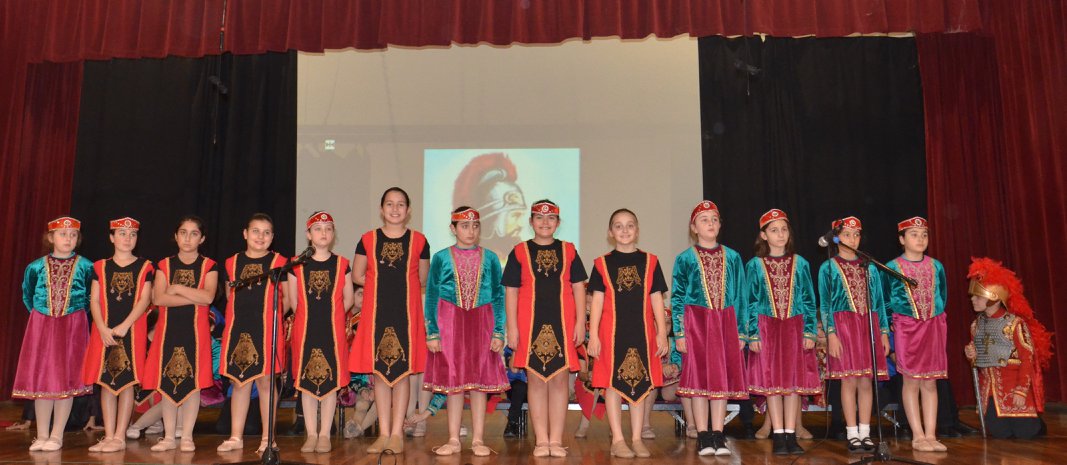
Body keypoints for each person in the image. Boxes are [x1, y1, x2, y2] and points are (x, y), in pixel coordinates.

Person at [503, 200, 587, 457]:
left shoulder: (569, 250)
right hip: (529, 324)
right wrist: (512, 328)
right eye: (539, 217)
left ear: (558, 223)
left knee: (560, 381)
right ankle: (541, 441)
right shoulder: (519, 251)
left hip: (563, 324)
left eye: (551, 218)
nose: (545, 222)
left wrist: (580, 323)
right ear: (531, 222)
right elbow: (511, 291)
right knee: (536, 381)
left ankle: (556, 440)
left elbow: (578, 287)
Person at [423, 207, 509, 456]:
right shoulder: (441, 258)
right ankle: (453, 438)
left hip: (481, 325)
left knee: (479, 383)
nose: (471, 231)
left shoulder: (491, 258)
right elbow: (432, 296)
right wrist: (433, 332)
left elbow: (498, 296)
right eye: (464, 226)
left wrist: (499, 331)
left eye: (475, 226)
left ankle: (478, 439)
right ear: (453, 228)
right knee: (454, 383)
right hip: (450, 324)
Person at [350, 187, 430, 454]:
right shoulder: (368, 239)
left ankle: (397, 434)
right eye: (390, 204)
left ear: (408, 210)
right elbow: (358, 275)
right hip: (377, 315)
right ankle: (383, 433)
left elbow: (422, 279)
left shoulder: (419, 240)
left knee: (402, 374)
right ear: (381, 209)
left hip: (406, 315)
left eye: (400, 204)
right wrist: (382, 283)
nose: (395, 209)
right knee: (380, 375)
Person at [587, 208, 669, 458]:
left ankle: (636, 438)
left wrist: (661, 332)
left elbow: (656, 298)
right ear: (610, 232)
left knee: (640, 383)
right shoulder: (602, 264)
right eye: (618, 225)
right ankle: (618, 440)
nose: (624, 230)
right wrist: (594, 335)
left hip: (642, 332)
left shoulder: (650, 261)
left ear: (637, 230)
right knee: (612, 384)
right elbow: (597, 301)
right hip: (611, 333)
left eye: (630, 225)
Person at [671, 201, 747, 456]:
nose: (710, 223)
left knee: (720, 380)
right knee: (699, 380)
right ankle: (703, 434)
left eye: (714, 219)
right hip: (697, 325)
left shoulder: (733, 257)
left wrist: (741, 331)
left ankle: (718, 433)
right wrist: (680, 332)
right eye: (704, 220)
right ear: (694, 228)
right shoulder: (684, 259)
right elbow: (677, 298)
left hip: (725, 323)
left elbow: (740, 295)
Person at [14, 216, 95, 452]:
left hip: (72, 327)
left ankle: (57, 435)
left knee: (65, 380)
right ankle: (41, 435)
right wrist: (43, 315)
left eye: (73, 235)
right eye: (62, 234)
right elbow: (27, 295)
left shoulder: (86, 266)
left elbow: (91, 297)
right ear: (51, 238)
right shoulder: (35, 267)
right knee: (43, 380)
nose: (68, 239)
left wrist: (73, 315)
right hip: (41, 325)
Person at [745, 209, 820, 455]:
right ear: (763, 235)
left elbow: (808, 300)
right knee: (773, 384)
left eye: (784, 229)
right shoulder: (755, 265)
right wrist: (753, 333)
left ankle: (790, 433)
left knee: (792, 384)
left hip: (794, 328)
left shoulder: (801, 263)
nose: (780, 234)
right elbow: (750, 302)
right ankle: (778, 434)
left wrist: (809, 332)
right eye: (774, 230)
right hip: (767, 328)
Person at [142, 216, 218, 452]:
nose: (187, 238)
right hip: (168, 332)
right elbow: (159, 298)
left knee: (193, 384)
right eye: (183, 233)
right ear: (176, 236)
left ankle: (186, 436)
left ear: (202, 239)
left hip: (196, 332)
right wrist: (193, 296)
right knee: (167, 383)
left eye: (194, 234)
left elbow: (208, 297)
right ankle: (168, 436)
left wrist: (177, 288)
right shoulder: (164, 265)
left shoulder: (209, 266)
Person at [217, 213, 288, 453]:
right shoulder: (232, 262)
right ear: (245, 234)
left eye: (266, 232)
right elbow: (230, 297)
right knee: (239, 381)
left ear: (272, 237)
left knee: (266, 382)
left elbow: (288, 299)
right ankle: (235, 437)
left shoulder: (280, 262)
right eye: (256, 231)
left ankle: (268, 439)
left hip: (267, 329)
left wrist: (272, 319)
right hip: (239, 329)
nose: (261, 236)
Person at [818, 216, 889, 452]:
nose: (852, 239)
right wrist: (831, 334)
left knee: (866, 381)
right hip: (844, 328)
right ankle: (851, 433)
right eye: (847, 235)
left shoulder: (869, 267)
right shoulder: (828, 267)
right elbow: (825, 305)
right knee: (849, 381)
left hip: (867, 326)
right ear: (836, 238)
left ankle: (865, 432)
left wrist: (883, 332)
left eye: (856, 234)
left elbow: (879, 303)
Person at [83, 217, 154, 453]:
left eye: (132, 234)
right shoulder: (100, 267)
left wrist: (126, 324)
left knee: (127, 382)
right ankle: (109, 434)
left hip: (131, 330)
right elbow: (94, 300)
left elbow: (144, 299)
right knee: (106, 382)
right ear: (111, 238)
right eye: (122, 234)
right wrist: (102, 328)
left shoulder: (145, 266)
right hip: (105, 331)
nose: (127, 238)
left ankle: (120, 436)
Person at [288, 211, 353, 453]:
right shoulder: (296, 264)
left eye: (328, 228)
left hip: (332, 332)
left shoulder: (342, 264)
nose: (323, 233)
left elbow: (348, 299)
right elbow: (294, 302)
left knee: (330, 382)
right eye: (318, 229)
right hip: (305, 331)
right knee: (306, 384)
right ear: (308, 234)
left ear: (333, 234)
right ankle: (311, 434)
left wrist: (332, 316)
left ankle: (324, 434)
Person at [964, 257, 1051, 439]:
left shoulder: (1015, 324)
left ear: (993, 297)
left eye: (978, 296)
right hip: (991, 393)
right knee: (999, 434)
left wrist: (1021, 390)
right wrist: (972, 356)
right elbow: (980, 361)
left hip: (1013, 388)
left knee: (1025, 434)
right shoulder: (976, 326)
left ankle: (1036, 423)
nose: (972, 299)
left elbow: (1027, 358)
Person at [884, 217, 949, 452]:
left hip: (932, 326)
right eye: (914, 234)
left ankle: (931, 434)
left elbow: (942, 295)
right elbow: (885, 299)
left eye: (924, 234)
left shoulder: (936, 266)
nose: (920, 239)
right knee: (911, 381)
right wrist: (891, 325)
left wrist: (935, 318)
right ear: (902, 239)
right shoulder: (892, 268)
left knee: (930, 381)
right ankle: (917, 435)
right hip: (907, 328)